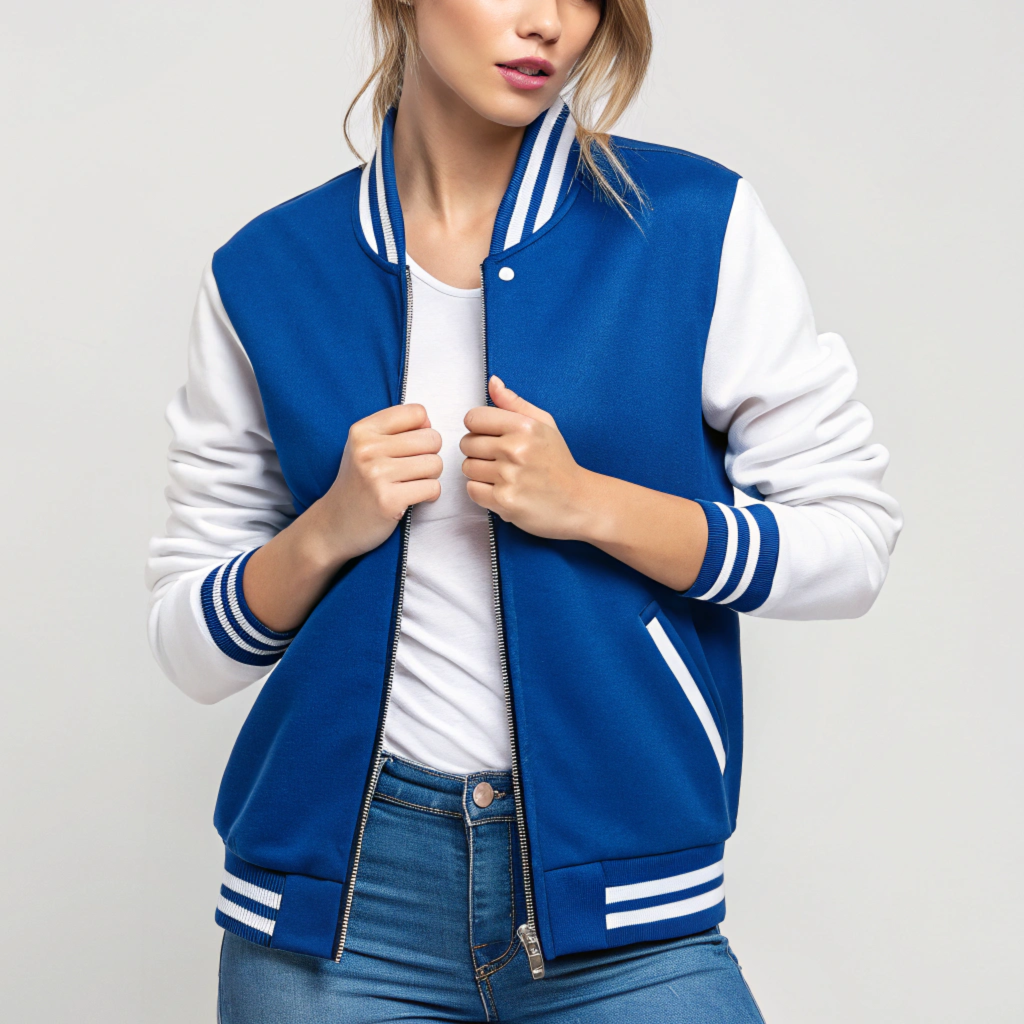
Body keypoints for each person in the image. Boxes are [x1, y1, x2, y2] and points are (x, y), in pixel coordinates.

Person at [146, 0, 902, 1020]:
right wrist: (328, 528)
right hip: (336, 916)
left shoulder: (690, 223)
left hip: (622, 896)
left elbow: (851, 542)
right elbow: (191, 648)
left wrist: (592, 504)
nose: (548, 22)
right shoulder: (267, 271)